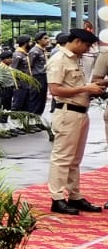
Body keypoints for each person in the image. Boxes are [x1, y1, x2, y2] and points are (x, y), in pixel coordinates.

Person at [47, 29, 104, 215]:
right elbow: (55, 90)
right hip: (67, 113)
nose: (87, 50)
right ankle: (56, 198)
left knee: (75, 159)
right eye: (86, 45)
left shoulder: (74, 60)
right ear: (77, 41)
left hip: (80, 112)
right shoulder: (59, 60)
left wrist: (93, 89)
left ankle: (74, 195)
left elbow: (74, 87)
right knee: (62, 158)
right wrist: (85, 88)